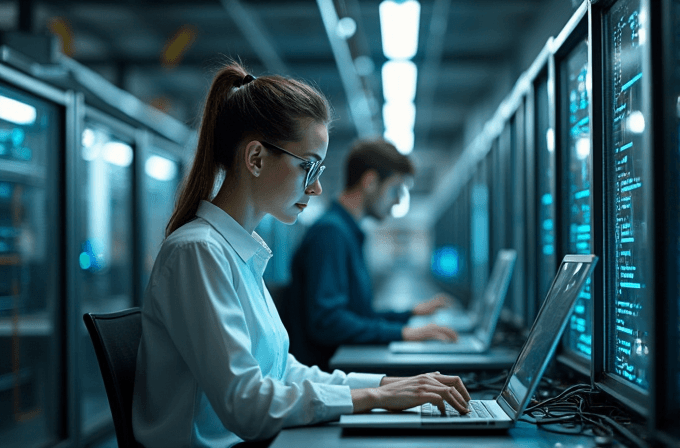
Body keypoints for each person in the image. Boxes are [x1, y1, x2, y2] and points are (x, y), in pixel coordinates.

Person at [132, 62, 470, 448]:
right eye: (308, 167)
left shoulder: (237, 251)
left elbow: (281, 373)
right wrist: (374, 398)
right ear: (256, 158)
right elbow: (247, 405)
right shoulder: (197, 252)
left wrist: (386, 384)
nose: (317, 188)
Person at [287, 138, 459, 371]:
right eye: (396, 189)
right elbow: (328, 322)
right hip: (329, 376)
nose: (398, 200)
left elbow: (359, 315)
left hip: (343, 367)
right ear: (370, 181)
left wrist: (409, 314)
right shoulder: (332, 233)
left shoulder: (345, 231)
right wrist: (404, 333)